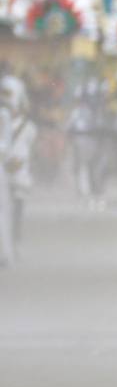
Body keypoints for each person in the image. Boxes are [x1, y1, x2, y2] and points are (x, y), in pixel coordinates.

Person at [0, 75, 37, 266]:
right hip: (5, 173)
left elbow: (26, 152)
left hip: (18, 175)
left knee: (15, 212)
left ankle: (12, 247)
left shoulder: (28, 127)